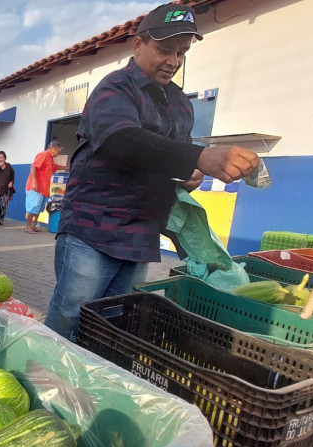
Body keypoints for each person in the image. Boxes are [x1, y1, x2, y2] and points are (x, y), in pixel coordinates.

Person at [44, 3, 260, 342]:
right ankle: (39, 380)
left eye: (182, 52)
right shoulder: (114, 89)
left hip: (141, 234)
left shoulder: (181, 103)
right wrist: (199, 156)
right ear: (138, 45)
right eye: (164, 49)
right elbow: (122, 140)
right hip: (93, 230)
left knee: (114, 323)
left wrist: (189, 172)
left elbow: (171, 159)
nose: (173, 61)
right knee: (71, 313)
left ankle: (88, 388)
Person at [25, 140, 67, 234]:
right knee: (32, 208)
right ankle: (28, 227)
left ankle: (33, 226)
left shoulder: (50, 158)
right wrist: (35, 183)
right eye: (59, 149)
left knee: (38, 209)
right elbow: (33, 167)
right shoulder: (43, 155)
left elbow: (56, 167)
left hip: (43, 189)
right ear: (54, 148)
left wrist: (68, 167)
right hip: (35, 188)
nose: (59, 151)